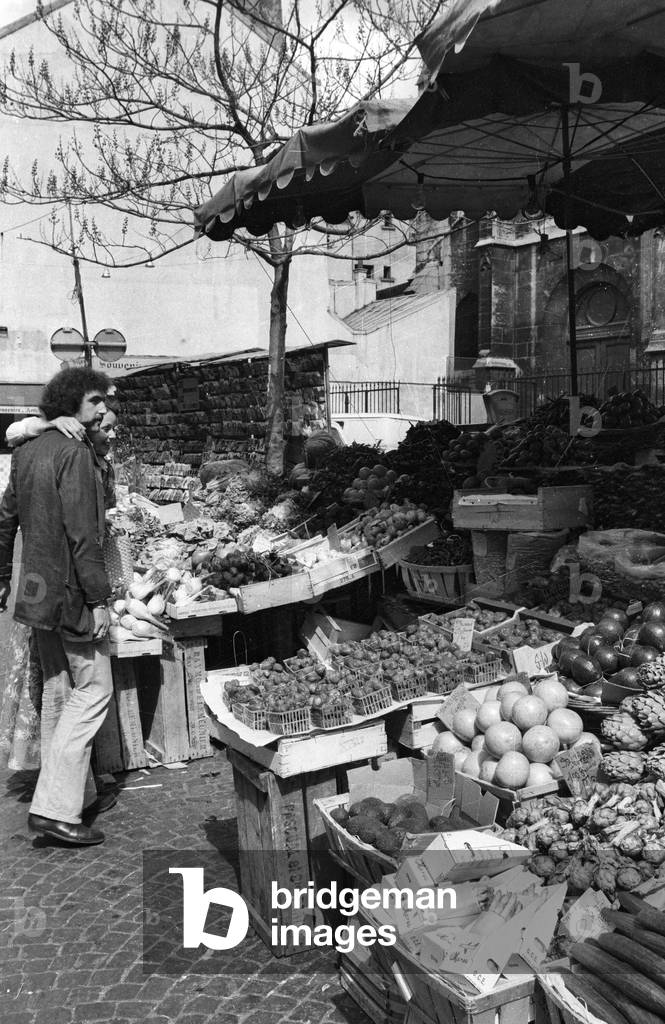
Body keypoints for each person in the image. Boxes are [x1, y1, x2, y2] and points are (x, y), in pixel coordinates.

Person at [0, 367, 114, 846]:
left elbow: (5, 518)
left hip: (34, 589)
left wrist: (5, 576)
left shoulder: (27, 451)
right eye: (94, 402)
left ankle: (70, 795)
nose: (104, 410)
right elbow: (83, 535)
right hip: (70, 591)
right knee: (94, 691)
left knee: (57, 690)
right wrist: (100, 597)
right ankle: (53, 809)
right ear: (71, 404)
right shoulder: (74, 453)